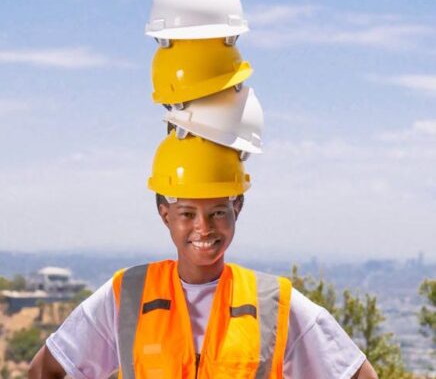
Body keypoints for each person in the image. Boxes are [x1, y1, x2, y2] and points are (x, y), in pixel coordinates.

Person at [28, 133, 378, 379]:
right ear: (165, 214)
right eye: (187, 214)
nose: (204, 228)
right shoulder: (128, 295)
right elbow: (46, 370)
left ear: (236, 208)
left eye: (218, 212)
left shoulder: (273, 303)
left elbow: (356, 374)